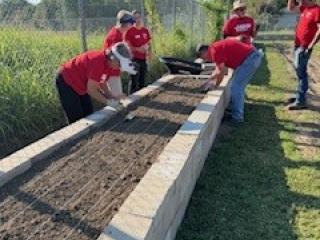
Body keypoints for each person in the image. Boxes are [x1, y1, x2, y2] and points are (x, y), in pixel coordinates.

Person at [56, 42, 137, 124]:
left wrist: (112, 97)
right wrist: (108, 102)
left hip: (82, 84)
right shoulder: (98, 62)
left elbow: (102, 82)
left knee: (88, 112)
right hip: (67, 81)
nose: (119, 68)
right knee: (76, 117)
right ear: (113, 58)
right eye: (119, 65)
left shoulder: (110, 65)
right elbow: (91, 90)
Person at [197, 39, 262, 123]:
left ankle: (237, 117)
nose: (205, 59)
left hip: (249, 59)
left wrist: (216, 86)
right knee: (238, 86)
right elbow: (219, 69)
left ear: (204, 52)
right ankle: (236, 109)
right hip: (251, 57)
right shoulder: (215, 48)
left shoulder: (214, 51)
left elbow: (222, 71)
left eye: (202, 57)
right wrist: (209, 80)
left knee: (236, 87)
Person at [286, 0, 320, 110]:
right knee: (299, 71)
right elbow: (290, 8)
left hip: (304, 47)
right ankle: (299, 97)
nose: (300, 1)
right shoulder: (304, 8)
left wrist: (311, 45)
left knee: (301, 73)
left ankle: (300, 101)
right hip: (298, 45)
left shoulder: (317, 10)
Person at [102, 10, 135, 97]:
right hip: (111, 71)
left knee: (117, 97)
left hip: (114, 70)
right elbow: (114, 58)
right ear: (127, 23)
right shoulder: (115, 36)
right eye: (132, 22)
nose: (132, 25)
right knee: (117, 98)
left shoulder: (119, 33)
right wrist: (128, 66)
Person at [124, 10, 152, 93]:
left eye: (139, 17)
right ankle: (131, 101)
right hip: (134, 59)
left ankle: (142, 100)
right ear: (132, 20)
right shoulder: (129, 31)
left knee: (142, 80)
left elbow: (149, 44)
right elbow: (127, 47)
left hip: (143, 59)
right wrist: (137, 49)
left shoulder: (145, 30)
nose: (137, 19)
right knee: (134, 81)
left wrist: (149, 55)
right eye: (135, 18)